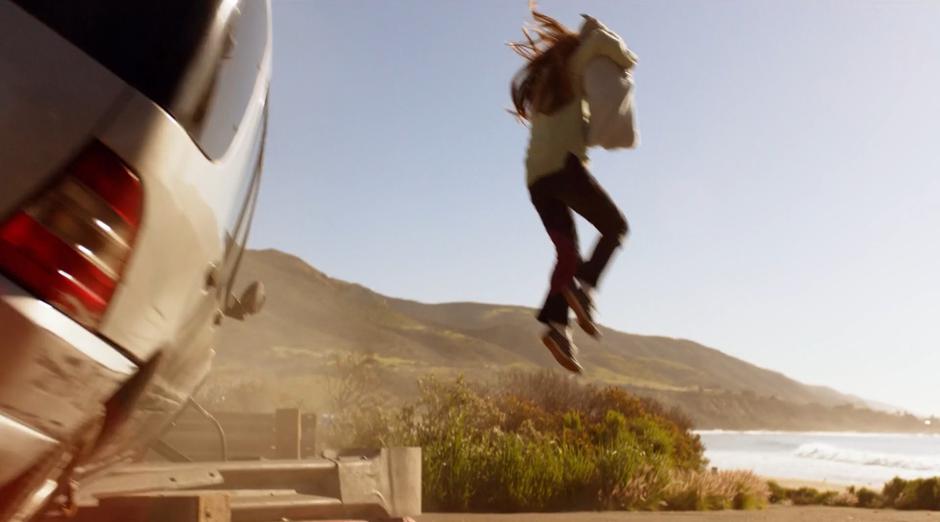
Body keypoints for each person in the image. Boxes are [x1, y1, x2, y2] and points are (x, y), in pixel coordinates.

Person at [510, 11, 638, 373]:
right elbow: (600, 43)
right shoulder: (572, 63)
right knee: (617, 228)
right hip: (564, 167)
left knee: (567, 251)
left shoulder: (542, 82)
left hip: (536, 180)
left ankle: (556, 327)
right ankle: (583, 286)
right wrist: (627, 60)